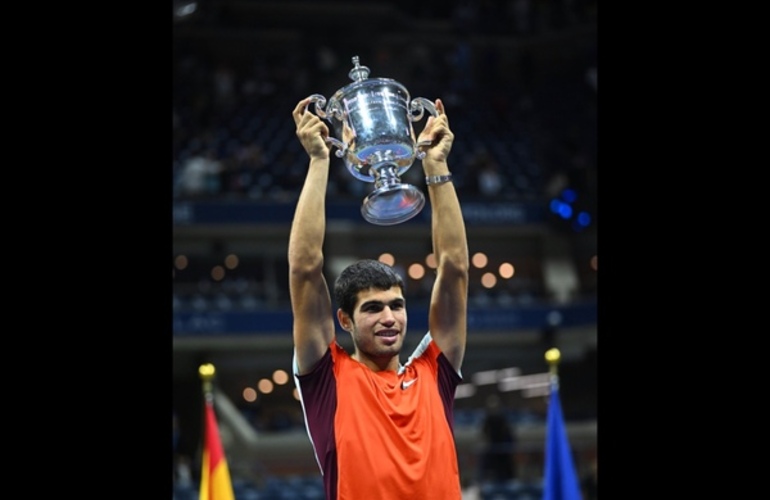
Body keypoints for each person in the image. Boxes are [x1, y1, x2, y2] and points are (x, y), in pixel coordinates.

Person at [289, 96, 469, 500]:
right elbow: (304, 269)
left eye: (397, 305)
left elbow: (455, 267)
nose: (390, 317)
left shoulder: (433, 372)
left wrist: (436, 165)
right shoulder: (326, 377)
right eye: (372, 308)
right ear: (345, 319)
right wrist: (319, 161)